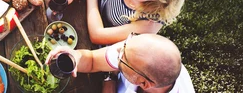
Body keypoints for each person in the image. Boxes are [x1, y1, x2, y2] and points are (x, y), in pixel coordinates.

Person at [46, 33, 195, 93]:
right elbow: (92, 60)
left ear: (144, 83)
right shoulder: (134, 49)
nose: (117, 51)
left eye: (123, 58)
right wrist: (76, 56)